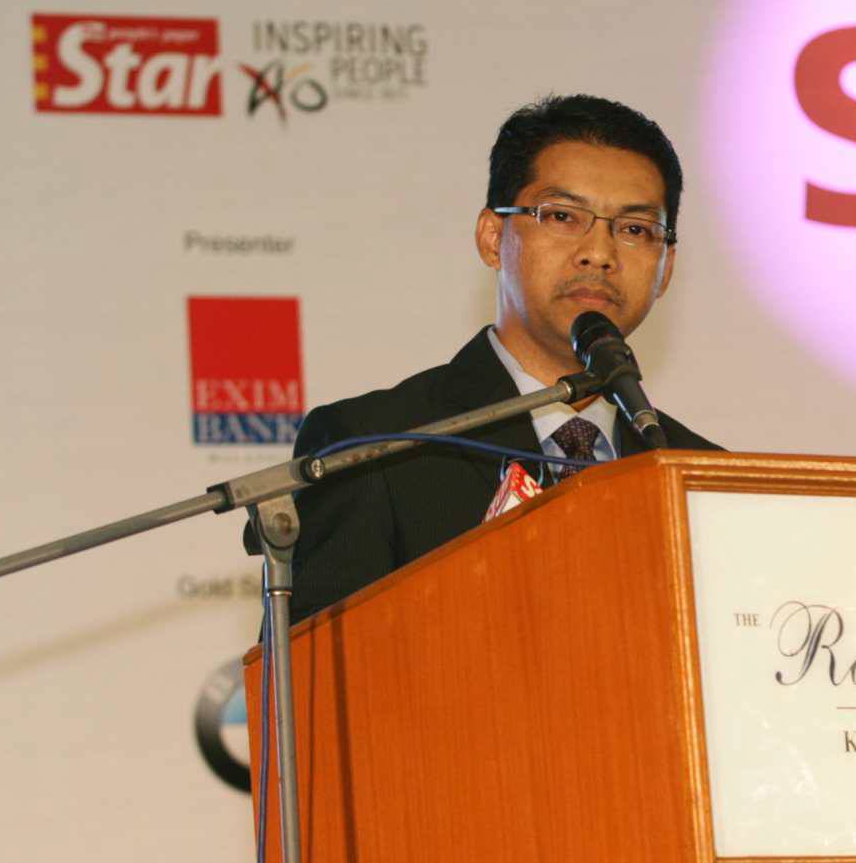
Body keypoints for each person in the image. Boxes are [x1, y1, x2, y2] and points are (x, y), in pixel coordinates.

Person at [264, 95, 722, 624]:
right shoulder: (376, 448)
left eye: (635, 229)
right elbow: (319, 672)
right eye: (562, 216)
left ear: (666, 268)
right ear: (491, 238)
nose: (599, 253)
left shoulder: (704, 475)